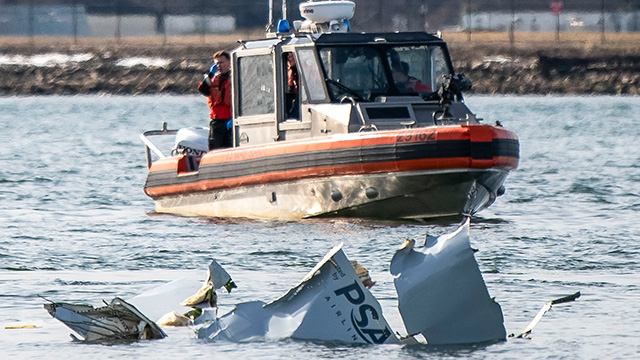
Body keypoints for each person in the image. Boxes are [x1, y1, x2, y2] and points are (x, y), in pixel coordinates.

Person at [199, 50, 232, 150]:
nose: (219, 66)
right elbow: (203, 90)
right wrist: (209, 76)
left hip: (230, 121)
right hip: (216, 122)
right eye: (217, 63)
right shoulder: (213, 79)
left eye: (221, 62)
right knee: (214, 149)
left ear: (229, 62)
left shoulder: (235, 78)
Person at [285, 52, 299, 118]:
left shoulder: (307, 70)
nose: (289, 59)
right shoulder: (287, 71)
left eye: (291, 57)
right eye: (288, 57)